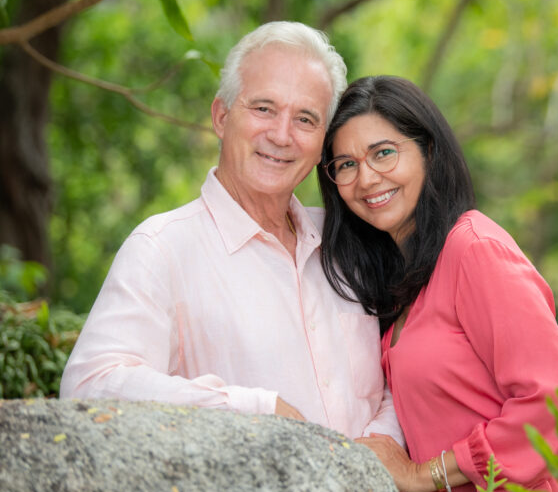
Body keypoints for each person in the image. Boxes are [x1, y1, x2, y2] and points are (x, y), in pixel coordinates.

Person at [60, 22, 402, 444]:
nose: (281, 135)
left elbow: (398, 372)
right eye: (263, 108)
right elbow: (91, 383)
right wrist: (252, 410)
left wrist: (386, 440)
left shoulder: (346, 238)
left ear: (321, 145)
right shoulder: (163, 248)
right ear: (222, 117)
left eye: (305, 119)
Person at [317, 75, 558, 492]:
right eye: (346, 164)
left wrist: (422, 474)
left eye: (384, 153)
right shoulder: (404, 284)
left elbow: (551, 405)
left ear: (428, 149)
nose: (366, 178)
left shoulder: (474, 248)